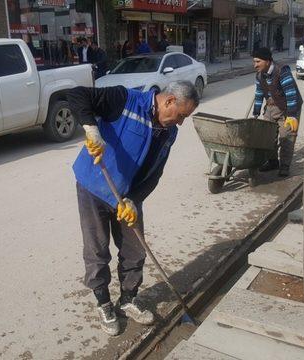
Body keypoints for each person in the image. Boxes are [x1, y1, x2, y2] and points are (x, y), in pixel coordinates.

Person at [68, 81, 200, 336]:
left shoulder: (169, 133)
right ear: (169, 101)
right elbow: (77, 95)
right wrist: (91, 130)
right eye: (182, 115)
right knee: (97, 250)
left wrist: (134, 199)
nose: (182, 122)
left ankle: (127, 299)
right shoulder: (124, 100)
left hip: (127, 197)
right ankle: (104, 303)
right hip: (95, 186)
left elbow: (155, 174)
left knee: (135, 249)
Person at [251, 47, 303, 177]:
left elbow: (290, 93)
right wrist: (256, 112)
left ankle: (285, 166)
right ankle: (273, 162)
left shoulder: (282, 71)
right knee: (267, 137)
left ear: (267, 61)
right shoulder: (259, 75)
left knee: (286, 137)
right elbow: (258, 93)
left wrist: (291, 115)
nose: (255, 65)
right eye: (254, 62)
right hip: (271, 107)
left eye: (258, 61)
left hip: (288, 108)